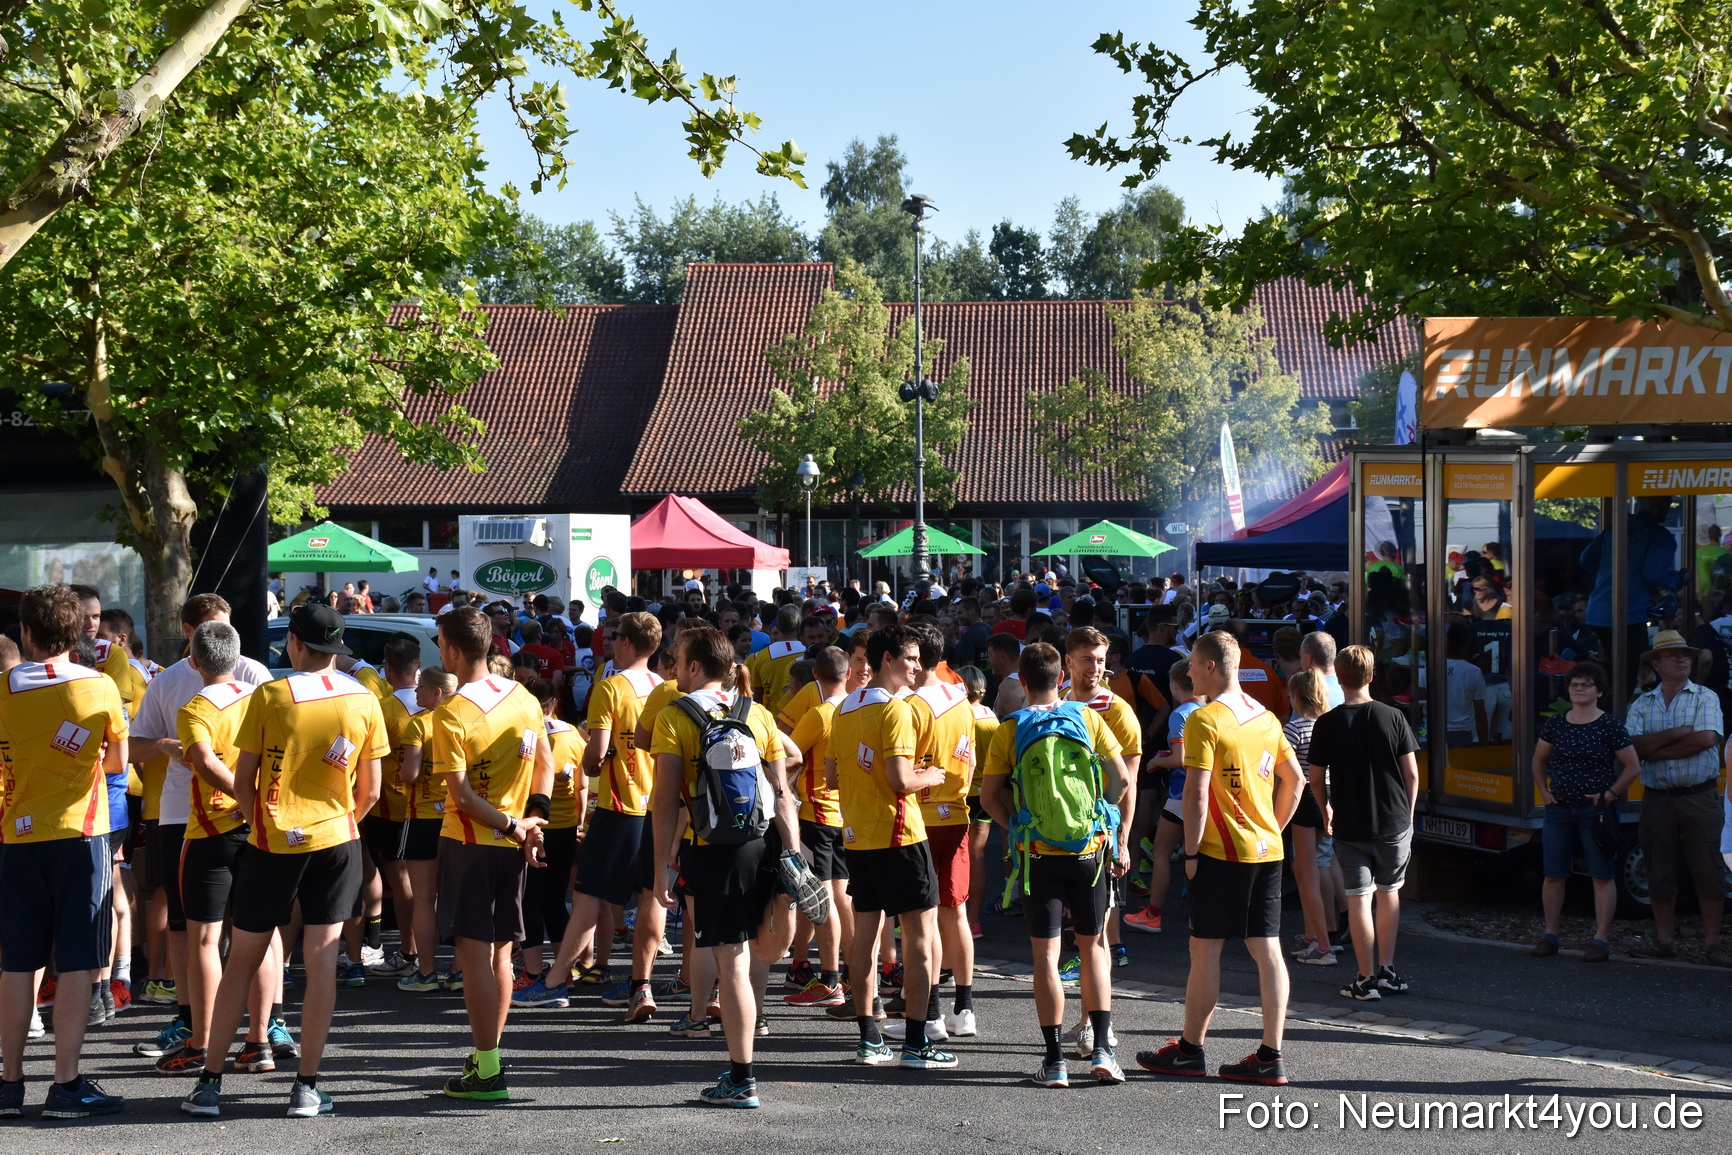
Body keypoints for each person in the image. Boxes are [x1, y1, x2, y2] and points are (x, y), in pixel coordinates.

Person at [183, 603, 385, 1119]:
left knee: (242, 960)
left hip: (273, 844)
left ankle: (209, 1084)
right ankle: (307, 1086)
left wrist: (261, 827)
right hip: (338, 840)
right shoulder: (365, 697)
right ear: (336, 648)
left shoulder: (271, 694)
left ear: (294, 642)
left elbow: (245, 780)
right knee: (323, 964)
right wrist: (342, 823)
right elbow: (373, 790)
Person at [649, 626, 808, 1108]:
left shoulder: (675, 716)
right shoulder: (756, 714)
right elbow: (781, 793)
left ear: (696, 666)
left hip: (711, 848)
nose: (673, 666)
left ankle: (742, 1078)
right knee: (758, 952)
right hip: (761, 842)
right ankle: (742, 1072)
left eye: (677, 659)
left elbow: (664, 800)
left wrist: (661, 865)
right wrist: (794, 857)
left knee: (731, 962)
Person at [1136, 631, 1302, 1086]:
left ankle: (1190, 1049)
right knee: (1266, 949)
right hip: (1266, 849)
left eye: (1192, 663)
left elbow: (1195, 792)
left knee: (1204, 949)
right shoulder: (1265, 716)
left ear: (1210, 666)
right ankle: (1271, 1054)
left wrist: (1189, 851)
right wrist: (1272, 827)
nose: (1187, 671)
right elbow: (1297, 780)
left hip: (1219, 851)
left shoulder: (1204, 719)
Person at [128, 594, 276, 1067]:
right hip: (183, 814)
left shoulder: (254, 676)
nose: (221, 635)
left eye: (226, 626)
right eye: (212, 626)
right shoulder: (168, 682)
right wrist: (166, 745)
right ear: (188, 632)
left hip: (227, 819)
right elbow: (134, 745)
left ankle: (258, 1028)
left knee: (232, 930)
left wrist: (245, 796)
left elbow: (221, 758)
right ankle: (196, 1022)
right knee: (190, 925)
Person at [0, 586, 130, 1119]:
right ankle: (66, 1083)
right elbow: (119, 763)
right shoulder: (99, 687)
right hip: (81, 836)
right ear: (78, 634)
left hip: (15, 836)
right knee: (79, 960)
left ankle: (9, 1083)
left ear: (25, 633)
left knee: (17, 962)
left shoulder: (2, 688)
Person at [981, 643, 1131, 1087]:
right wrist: (1099, 818)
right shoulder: (1088, 718)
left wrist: (1019, 829)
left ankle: (1055, 1061)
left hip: (1038, 858)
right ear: (1061, 677)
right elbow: (1121, 778)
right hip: (1088, 853)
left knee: (1046, 956)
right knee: (1093, 947)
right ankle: (1102, 1049)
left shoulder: (1009, 729)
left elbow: (989, 798)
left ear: (1022, 682)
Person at [427, 606, 553, 1100]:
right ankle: (488, 1054)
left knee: (475, 956)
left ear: (454, 651)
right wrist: (534, 818)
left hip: (473, 842)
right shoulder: (522, 696)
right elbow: (546, 763)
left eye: (440, 643)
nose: (438, 651)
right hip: (512, 844)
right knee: (501, 951)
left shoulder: (451, 713)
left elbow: (460, 797)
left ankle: (487, 1068)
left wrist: (513, 823)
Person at [514, 612, 663, 1013]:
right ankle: (640, 985)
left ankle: (553, 981)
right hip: (658, 807)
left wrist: (599, 763)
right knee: (650, 897)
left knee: (586, 894)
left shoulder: (611, 686)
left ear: (627, 643)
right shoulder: (666, 688)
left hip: (620, 804)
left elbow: (594, 757)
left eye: (614, 637)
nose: (608, 642)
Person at [828, 624, 956, 1071]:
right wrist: (931, 776)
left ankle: (869, 1039)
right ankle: (918, 1044)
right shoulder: (897, 710)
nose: (919, 667)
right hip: (900, 836)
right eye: (911, 659)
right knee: (920, 940)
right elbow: (901, 781)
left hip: (858, 837)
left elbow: (831, 777)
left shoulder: (843, 707)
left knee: (864, 939)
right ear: (887, 660)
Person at [1306, 645, 1421, 1002]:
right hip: (1393, 820)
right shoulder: (1394, 716)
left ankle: (1365, 976)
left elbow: (1315, 776)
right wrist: (1410, 815)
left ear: (1338, 678)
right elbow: (1412, 775)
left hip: (1350, 823)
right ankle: (1387, 969)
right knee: (1390, 894)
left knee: (1359, 898)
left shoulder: (1327, 723)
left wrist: (1326, 809)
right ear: (1372, 677)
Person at [1624, 631, 1727, 964]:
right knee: (1658, 869)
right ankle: (1665, 942)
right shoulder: (1641, 703)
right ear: (1656, 664)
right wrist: (1680, 733)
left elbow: (1706, 740)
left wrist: (1658, 749)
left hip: (1699, 795)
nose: (1683, 659)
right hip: (1658, 798)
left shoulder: (1705, 697)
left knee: (1708, 871)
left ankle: (1712, 945)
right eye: (1673, 655)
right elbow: (1633, 748)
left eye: (1686, 654)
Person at [1530, 661, 1640, 962]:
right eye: (1574, 685)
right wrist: (1543, 791)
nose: (1579, 689)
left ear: (1599, 691)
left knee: (1602, 875)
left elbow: (1633, 766)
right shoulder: (1556, 723)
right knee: (1553, 873)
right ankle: (1549, 935)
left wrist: (1610, 794)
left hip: (1595, 812)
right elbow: (1538, 760)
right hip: (1559, 810)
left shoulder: (1609, 725)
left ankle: (1600, 939)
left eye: (1586, 685)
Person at [906, 621, 980, 1039]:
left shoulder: (915, 705)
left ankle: (931, 1013)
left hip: (923, 818)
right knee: (957, 914)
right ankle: (963, 1008)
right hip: (958, 812)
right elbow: (967, 758)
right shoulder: (960, 695)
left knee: (926, 919)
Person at [782, 647, 854, 1010]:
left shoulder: (820, 714)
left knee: (821, 900)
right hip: (847, 816)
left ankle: (830, 980)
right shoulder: (858, 709)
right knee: (844, 900)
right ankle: (855, 976)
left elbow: (788, 756)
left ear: (815, 676)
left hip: (817, 816)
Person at [396, 668, 458, 993]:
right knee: (456, 893)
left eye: (422, 687)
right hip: (460, 814)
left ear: (436, 693)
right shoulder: (466, 718)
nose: (416, 692)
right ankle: (460, 971)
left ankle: (427, 972)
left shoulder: (420, 723)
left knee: (423, 897)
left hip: (423, 816)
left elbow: (409, 774)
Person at [1280, 671, 1340, 966]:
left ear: (1296, 697)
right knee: (1307, 866)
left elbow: (1284, 769)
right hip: (1327, 795)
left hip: (1304, 797)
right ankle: (1311, 935)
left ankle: (1323, 945)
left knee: (1306, 872)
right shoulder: (1325, 724)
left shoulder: (1294, 729)